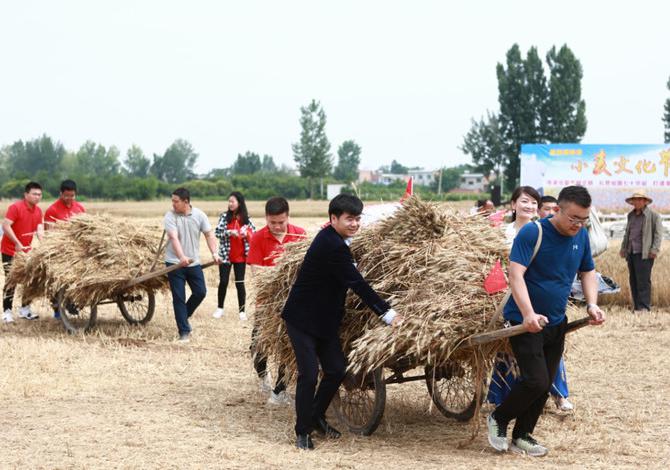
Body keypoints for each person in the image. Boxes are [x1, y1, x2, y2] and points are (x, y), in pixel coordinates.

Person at [487, 185, 605, 457]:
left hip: (555, 322)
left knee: (547, 382)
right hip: (524, 321)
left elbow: (588, 272)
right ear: (557, 210)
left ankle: (522, 435)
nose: (578, 224)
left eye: (583, 219)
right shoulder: (534, 232)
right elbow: (516, 275)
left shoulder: (582, 237)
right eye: (573, 218)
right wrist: (528, 313)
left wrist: (592, 304)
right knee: (536, 380)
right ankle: (499, 418)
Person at [281, 194, 403, 450]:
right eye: (349, 219)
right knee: (309, 374)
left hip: (324, 321)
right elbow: (357, 283)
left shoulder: (337, 240)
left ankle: (316, 416)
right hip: (302, 319)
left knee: (336, 369)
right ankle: (302, 431)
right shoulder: (332, 245)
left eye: (358, 219)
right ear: (333, 218)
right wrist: (388, 314)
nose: (355, 224)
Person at [247, 197, 306, 405]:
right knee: (257, 346)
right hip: (266, 303)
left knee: (288, 348)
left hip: (294, 303)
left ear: (288, 217)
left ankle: (279, 391)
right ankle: (264, 378)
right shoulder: (258, 238)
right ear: (266, 218)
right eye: (273, 223)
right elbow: (256, 272)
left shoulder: (299, 235)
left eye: (281, 222)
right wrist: (277, 280)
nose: (277, 227)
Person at [164, 187, 221, 342]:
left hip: (193, 261)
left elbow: (209, 234)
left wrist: (214, 253)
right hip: (174, 263)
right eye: (172, 200)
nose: (173, 204)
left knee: (200, 292)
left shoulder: (199, 215)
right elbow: (174, 238)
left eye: (176, 201)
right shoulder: (170, 216)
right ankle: (184, 330)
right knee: (179, 297)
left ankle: (182, 316)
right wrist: (181, 257)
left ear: (186, 202)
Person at [2, 181, 44, 322]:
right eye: (34, 194)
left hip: (26, 251)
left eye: (39, 194)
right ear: (26, 195)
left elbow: (39, 230)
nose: (37, 197)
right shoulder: (15, 207)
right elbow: (6, 226)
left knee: (29, 280)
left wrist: (45, 244)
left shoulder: (38, 211)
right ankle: (7, 312)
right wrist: (17, 243)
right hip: (10, 250)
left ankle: (24, 309)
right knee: (11, 280)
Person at [44, 179, 86, 318]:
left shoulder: (79, 208)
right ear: (61, 193)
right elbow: (49, 234)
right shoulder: (52, 210)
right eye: (66, 195)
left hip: (77, 250)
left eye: (72, 196)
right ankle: (57, 308)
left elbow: (85, 229)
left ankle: (73, 301)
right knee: (58, 280)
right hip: (60, 250)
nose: (69, 199)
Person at [619, 190, 664, 313]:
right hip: (631, 252)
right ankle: (637, 306)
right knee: (633, 280)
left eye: (640, 199)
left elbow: (658, 235)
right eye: (635, 200)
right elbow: (627, 234)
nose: (637, 202)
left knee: (643, 281)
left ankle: (644, 307)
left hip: (645, 253)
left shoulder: (654, 216)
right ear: (632, 202)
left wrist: (654, 249)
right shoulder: (630, 216)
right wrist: (623, 248)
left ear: (645, 202)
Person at [213, 192, 255, 321]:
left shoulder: (246, 219)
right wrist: (230, 232)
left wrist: (246, 232)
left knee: (239, 283)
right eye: (229, 201)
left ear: (239, 203)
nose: (230, 204)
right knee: (223, 281)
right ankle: (220, 308)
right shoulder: (224, 217)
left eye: (232, 201)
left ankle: (242, 311)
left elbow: (254, 234)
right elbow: (217, 233)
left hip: (241, 256)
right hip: (226, 255)